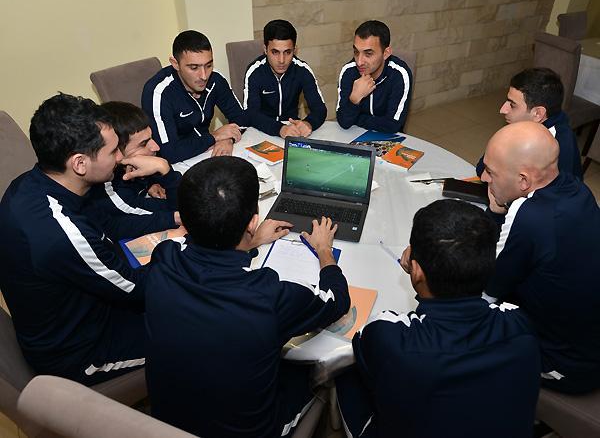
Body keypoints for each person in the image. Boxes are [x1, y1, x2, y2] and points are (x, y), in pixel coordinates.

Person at [144, 156, 350, 437]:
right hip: (253, 430)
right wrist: (324, 250)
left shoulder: (164, 257)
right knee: (314, 371)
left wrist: (251, 241)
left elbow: (199, 252)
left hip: (167, 420)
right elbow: (336, 300)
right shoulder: (268, 296)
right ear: (254, 221)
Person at [0, 93, 181, 385]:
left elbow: (109, 225)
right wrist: (179, 250)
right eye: (113, 152)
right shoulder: (61, 233)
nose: (121, 158)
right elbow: (135, 287)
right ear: (80, 163)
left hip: (88, 307)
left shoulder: (33, 184)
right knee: (201, 329)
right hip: (82, 352)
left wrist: (172, 223)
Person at [336, 199, 540, 438]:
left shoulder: (390, 336)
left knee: (346, 374)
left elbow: (362, 344)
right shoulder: (519, 324)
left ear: (416, 271)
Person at [481, 121, 600, 394]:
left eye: (491, 172)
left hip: (565, 365)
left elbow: (486, 290)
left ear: (523, 181)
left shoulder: (529, 214)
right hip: (589, 345)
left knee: (460, 319)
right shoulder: (576, 188)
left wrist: (494, 214)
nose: (485, 178)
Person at [142, 30, 249, 165]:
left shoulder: (215, 80)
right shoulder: (158, 92)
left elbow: (242, 118)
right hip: (176, 165)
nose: (204, 76)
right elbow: (169, 152)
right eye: (194, 68)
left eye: (208, 65)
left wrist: (227, 139)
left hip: (206, 153)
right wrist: (214, 137)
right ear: (175, 64)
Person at [476, 67, 582, 178]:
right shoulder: (522, 124)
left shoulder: (558, 147)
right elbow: (483, 167)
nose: (502, 110)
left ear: (538, 113)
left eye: (512, 105)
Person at [243, 19, 327, 138]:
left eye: (287, 52)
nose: (281, 60)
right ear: (265, 49)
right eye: (275, 52)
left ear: (295, 50)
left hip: (292, 130)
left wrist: (308, 123)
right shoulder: (254, 71)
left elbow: (320, 109)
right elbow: (251, 114)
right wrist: (280, 129)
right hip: (262, 130)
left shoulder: (302, 70)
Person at [101, 101, 180, 212]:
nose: (156, 147)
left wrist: (151, 183)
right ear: (115, 150)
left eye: (151, 138)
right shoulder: (115, 193)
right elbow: (180, 210)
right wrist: (164, 169)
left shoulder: (130, 168)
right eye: (143, 144)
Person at [336, 20, 413, 133]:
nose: (359, 62)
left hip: (388, 138)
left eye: (368, 54)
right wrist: (354, 100)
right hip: (354, 134)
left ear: (386, 53)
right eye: (356, 52)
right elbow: (344, 121)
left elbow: (392, 125)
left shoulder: (400, 74)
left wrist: (356, 118)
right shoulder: (348, 71)